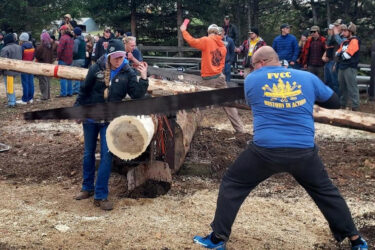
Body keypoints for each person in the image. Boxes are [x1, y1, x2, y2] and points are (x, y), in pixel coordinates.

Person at [192, 46, 368, 250]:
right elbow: (334, 102)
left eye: (253, 65)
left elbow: (253, 100)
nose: (253, 69)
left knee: (233, 183)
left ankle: (217, 239)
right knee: (326, 192)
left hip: (266, 150)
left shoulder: (252, 79)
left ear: (260, 63)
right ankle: (356, 240)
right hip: (303, 151)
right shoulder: (307, 77)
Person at [74, 39, 149, 210]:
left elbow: (137, 94)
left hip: (111, 121)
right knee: (88, 153)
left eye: (121, 57)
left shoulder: (128, 72)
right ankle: (87, 188)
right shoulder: (96, 68)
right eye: (115, 57)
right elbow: (84, 90)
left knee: (107, 156)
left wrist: (143, 77)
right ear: (109, 57)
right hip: (91, 117)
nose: (118, 60)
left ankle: (101, 195)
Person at [180, 23, 245, 133]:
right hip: (220, 76)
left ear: (209, 32)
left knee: (198, 103)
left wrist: (183, 31)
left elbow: (192, 41)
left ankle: (190, 130)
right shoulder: (223, 45)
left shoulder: (207, 40)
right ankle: (240, 129)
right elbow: (222, 63)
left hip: (209, 78)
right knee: (228, 103)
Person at [336, 22, 361, 111]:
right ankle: (343, 105)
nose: (343, 33)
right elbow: (337, 53)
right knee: (342, 87)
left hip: (350, 67)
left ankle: (355, 106)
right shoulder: (345, 42)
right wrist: (341, 53)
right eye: (342, 31)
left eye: (345, 31)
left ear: (350, 31)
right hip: (342, 66)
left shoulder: (355, 41)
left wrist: (341, 53)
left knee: (352, 87)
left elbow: (347, 55)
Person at [0, 34, 22, 107]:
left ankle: (12, 102)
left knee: (9, 87)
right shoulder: (19, 47)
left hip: (8, 71)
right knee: (11, 86)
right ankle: (13, 100)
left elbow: (3, 63)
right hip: (16, 69)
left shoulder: (5, 49)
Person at [35, 32, 56, 100]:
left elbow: (37, 56)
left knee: (43, 81)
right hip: (49, 65)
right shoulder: (51, 46)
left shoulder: (41, 47)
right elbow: (53, 56)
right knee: (47, 80)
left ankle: (44, 96)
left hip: (42, 65)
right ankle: (48, 95)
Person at [17, 32, 35, 104]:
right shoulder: (32, 46)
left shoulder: (22, 47)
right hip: (30, 66)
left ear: (22, 39)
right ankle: (30, 98)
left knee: (25, 83)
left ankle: (25, 99)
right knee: (31, 82)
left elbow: (20, 57)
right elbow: (33, 57)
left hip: (24, 67)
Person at [57, 25, 74, 97]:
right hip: (70, 59)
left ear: (63, 30)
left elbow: (60, 50)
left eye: (61, 30)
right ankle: (70, 92)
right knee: (69, 76)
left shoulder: (63, 38)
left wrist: (58, 57)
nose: (60, 31)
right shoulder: (71, 38)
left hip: (63, 59)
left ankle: (63, 93)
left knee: (62, 76)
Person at [322, 24, 340, 95]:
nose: (329, 31)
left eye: (331, 29)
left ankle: (337, 99)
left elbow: (337, 49)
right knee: (327, 81)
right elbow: (328, 46)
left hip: (333, 61)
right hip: (328, 61)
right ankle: (329, 98)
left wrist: (335, 63)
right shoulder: (329, 38)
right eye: (329, 30)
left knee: (334, 82)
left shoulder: (337, 37)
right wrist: (323, 56)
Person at [72, 27, 86, 95]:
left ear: (75, 33)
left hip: (77, 59)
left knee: (76, 74)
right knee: (81, 75)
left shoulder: (76, 41)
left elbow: (74, 51)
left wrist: (72, 56)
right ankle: (81, 88)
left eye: (73, 32)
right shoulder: (83, 40)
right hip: (83, 59)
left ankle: (76, 90)